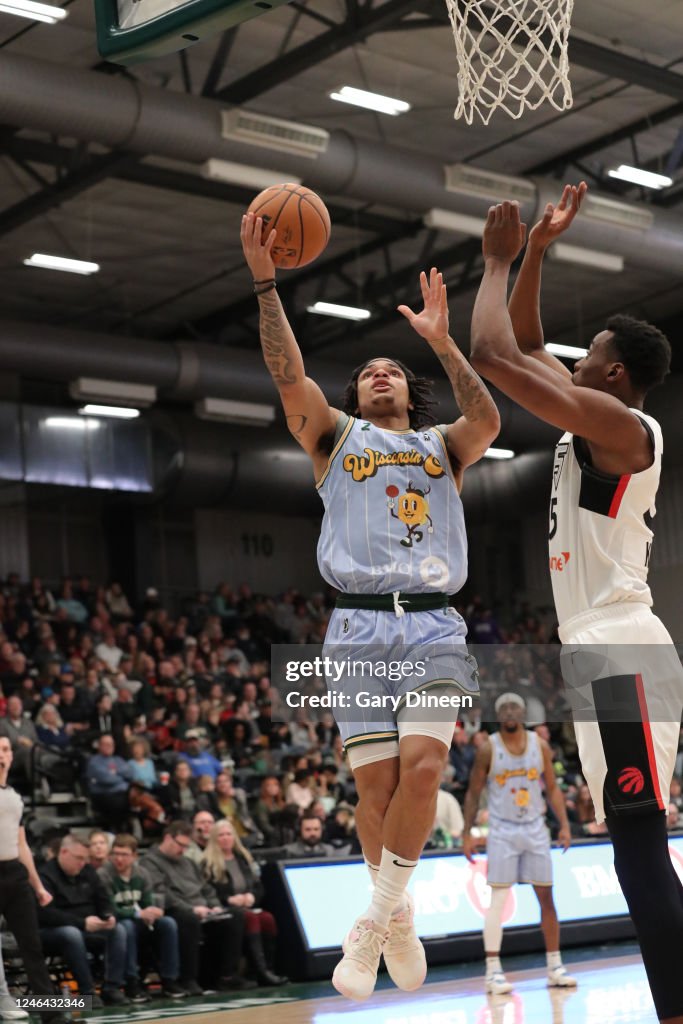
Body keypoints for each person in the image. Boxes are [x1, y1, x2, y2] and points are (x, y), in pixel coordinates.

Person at [242, 210, 498, 1002]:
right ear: (353, 393)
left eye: (392, 369)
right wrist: (265, 283)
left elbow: (487, 420)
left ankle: (375, 916)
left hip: (432, 622)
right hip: (355, 625)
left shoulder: (441, 446)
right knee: (375, 794)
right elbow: (287, 374)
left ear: (410, 393)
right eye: (368, 371)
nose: (380, 374)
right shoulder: (333, 438)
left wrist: (442, 342)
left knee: (426, 768)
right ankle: (400, 915)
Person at [469, 184, 683, 1024]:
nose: (573, 359)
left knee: (638, 846)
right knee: (633, 847)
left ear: (613, 373)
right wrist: (536, 252)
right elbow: (524, 342)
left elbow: (493, 353)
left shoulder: (625, 431)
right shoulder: (594, 423)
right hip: (597, 649)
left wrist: (495, 261)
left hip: (620, 648)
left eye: (587, 353)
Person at [462, 693, 575, 994]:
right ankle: (493, 972)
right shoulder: (489, 748)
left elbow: (552, 788)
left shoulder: (540, 745)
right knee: (498, 899)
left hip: (535, 827)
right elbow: (473, 792)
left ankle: (555, 967)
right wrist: (466, 832)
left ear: (524, 713)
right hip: (502, 830)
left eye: (515, 707)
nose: (510, 712)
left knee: (546, 897)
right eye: (505, 708)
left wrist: (564, 825)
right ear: (498, 715)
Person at [0, 737, 67, 1024]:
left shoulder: (15, 796)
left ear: (11, 756)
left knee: (32, 947)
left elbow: (22, 844)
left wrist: (38, 886)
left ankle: (51, 1014)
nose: (1, 754)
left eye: (5, 749)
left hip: (14, 874)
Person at [139, 821, 250, 993]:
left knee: (235, 915)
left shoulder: (188, 863)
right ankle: (188, 979)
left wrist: (215, 906)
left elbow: (207, 888)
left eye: (186, 846)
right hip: (176, 910)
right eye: (180, 845)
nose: (183, 850)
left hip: (203, 909)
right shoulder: (149, 862)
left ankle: (227, 976)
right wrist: (192, 909)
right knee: (187, 919)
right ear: (168, 838)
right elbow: (163, 894)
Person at [38, 834, 130, 1006]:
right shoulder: (44, 875)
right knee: (71, 934)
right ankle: (87, 991)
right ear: (64, 852)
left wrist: (108, 916)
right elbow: (46, 914)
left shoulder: (88, 870)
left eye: (85, 859)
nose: (82, 863)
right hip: (53, 931)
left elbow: (103, 899)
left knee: (118, 929)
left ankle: (112, 988)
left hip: (87, 926)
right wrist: (82, 923)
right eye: (79, 858)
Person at [98, 833, 186, 1001]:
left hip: (137, 921)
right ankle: (132, 982)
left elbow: (147, 903)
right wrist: (138, 914)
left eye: (124, 855)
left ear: (134, 856)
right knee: (127, 926)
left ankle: (170, 979)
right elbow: (110, 909)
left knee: (168, 923)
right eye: (115, 854)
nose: (119, 859)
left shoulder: (142, 874)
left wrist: (154, 911)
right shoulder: (103, 875)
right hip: (116, 923)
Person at [201, 821, 287, 986]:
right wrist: (229, 899)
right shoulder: (208, 863)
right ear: (214, 839)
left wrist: (252, 896)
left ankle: (266, 969)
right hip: (225, 909)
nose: (225, 838)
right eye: (221, 835)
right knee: (250, 919)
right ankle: (261, 972)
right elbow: (209, 891)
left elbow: (258, 886)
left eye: (228, 834)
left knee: (267, 918)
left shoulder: (244, 858)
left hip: (247, 906)